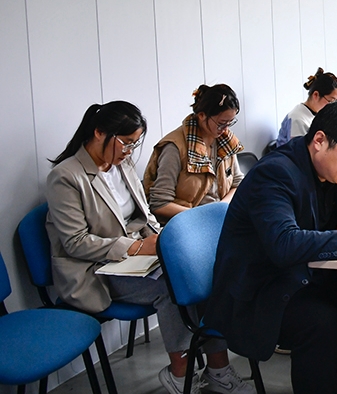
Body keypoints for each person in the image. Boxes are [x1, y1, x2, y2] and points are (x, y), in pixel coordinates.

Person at [45, 102, 253, 394]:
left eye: (134, 143)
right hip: (94, 270)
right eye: (125, 143)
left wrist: (161, 241)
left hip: (135, 256)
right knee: (173, 287)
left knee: (204, 274)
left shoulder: (122, 164)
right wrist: (136, 247)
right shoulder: (66, 177)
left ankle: (218, 368)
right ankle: (181, 373)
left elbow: (145, 216)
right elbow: (75, 243)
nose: (130, 151)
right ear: (99, 132)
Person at [204, 101, 337, 394]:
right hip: (263, 290)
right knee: (321, 324)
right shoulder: (274, 174)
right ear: (320, 140)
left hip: (308, 273)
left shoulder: (336, 168)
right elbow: (284, 245)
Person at [144, 84, 244, 225]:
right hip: (187, 223)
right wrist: (204, 217)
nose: (225, 129)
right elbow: (160, 204)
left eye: (230, 123)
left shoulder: (224, 140)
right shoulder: (174, 148)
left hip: (218, 218)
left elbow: (238, 184)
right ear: (202, 115)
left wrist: (222, 208)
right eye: (221, 123)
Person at [276, 68, 337, 146]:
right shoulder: (298, 119)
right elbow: (299, 150)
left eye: (336, 101)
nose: (333, 105)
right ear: (316, 95)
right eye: (331, 101)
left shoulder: (317, 113)